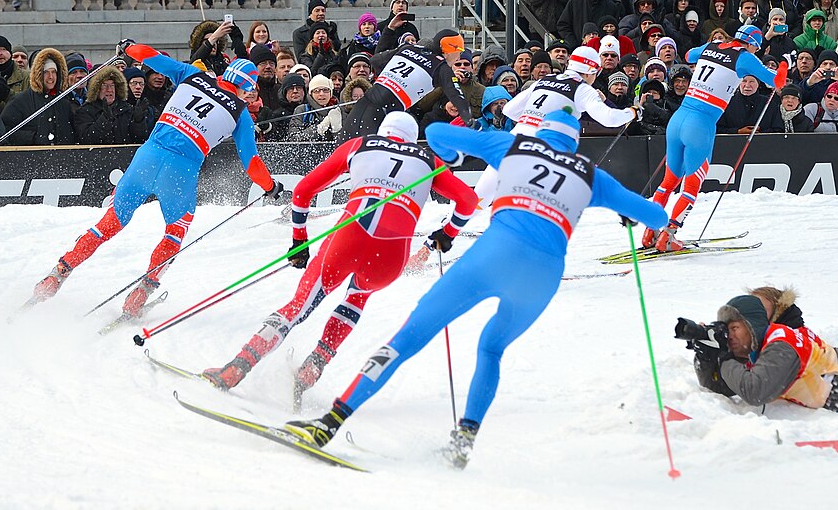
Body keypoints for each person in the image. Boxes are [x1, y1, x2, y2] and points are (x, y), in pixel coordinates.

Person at [284, 109, 668, 467]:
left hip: (495, 253)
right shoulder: (590, 175)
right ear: (574, 141)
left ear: (541, 133)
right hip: (544, 275)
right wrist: (624, 211)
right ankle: (463, 440)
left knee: (409, 336)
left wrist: (449, 157)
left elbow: (435, 132)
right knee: (492, 348)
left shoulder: (513, 145)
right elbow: (657, 215)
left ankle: (329, 424)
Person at [202, 111, 478, 401]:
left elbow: (303, 191)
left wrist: (299, 240)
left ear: (383, 131)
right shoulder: (428, 160)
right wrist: (448, 234)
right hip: (393, 254)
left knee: (300, 305)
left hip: (351, 236)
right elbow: (469, 200)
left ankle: (236, 368)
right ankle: (314, 367)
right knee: (356, 298)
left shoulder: (361, 144)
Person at [28, 44, 283, 318]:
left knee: (110, 223)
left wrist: (129, 48)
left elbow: (151, 57)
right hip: (181, 171)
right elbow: (252, 164)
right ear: (245, 87)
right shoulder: (241, 114)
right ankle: (140, 295)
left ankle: (57, 274)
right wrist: (270, 187)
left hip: (147, 158)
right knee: (174, 233)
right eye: (250, 91)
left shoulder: (193, 75)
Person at [643, 25, 785, 252]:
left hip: (678, 118)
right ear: (752, 44)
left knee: (668, 182)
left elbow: (690, 55)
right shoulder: (744, 57)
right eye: (756, 48)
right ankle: (668, 237)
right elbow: (775, 81)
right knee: (691, 187)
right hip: (700, 124)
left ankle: (650, 231)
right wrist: (783, 70)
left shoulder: (713, 45)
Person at [688, 287, 838, 433]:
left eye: (735, 327)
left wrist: (724, 357)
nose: (730, 333)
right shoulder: (755, 348)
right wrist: (708, 355)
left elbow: (755, 390)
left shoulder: (782, 340)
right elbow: (724, 386)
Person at [471, 45, 640, 204]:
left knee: (479, 198)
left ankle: (449, 228)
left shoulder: (544, 80)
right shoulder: (582, 89)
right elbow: (608, 118)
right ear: (591, 71)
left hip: (513, 140)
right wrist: (632, 112)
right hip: (542, 148)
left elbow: (509, 109)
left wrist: (530, 119)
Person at [340, 29, 474, 139]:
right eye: (459, 51)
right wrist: (471, 122)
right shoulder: (442, 68)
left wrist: (389, 78)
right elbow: (458, 98)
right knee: (367, 157)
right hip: (385, 113)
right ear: (450, 49)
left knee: (341, 150)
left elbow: (375, 61)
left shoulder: (408, 48)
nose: (459, 57)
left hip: (366, 100)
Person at [0, 48, 76, 146]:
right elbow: (5, 131)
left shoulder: (64, 103)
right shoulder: (20, 101)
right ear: (38, 74)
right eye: (46, 72)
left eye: (54, 72)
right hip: (30, 157)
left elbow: (73, 134)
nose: (51, 77)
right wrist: (34, 137)